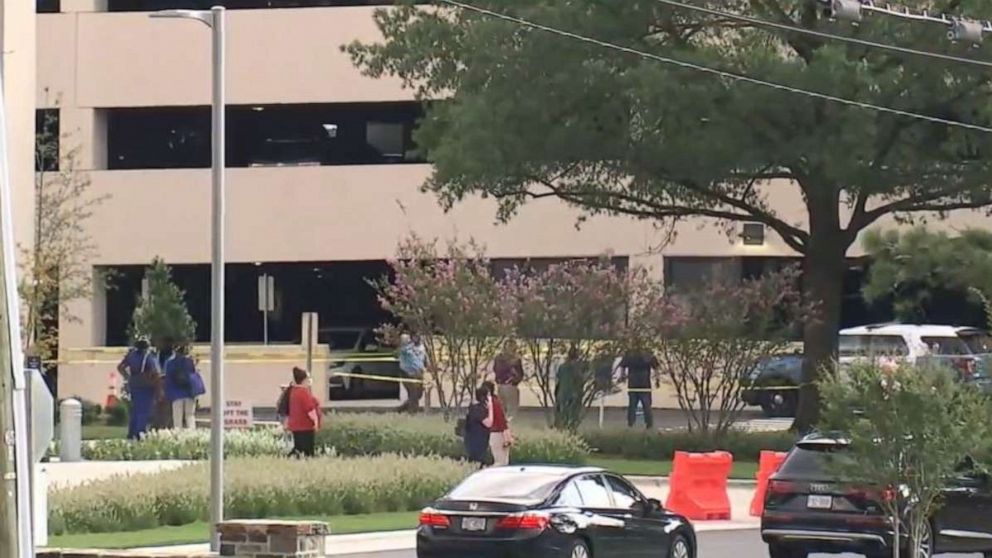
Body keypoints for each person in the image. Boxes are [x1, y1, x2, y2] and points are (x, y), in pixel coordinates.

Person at [117, 337, 160, 440]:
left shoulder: (131, 356)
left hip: (134, 384)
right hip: (146, 386)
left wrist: (127, 377)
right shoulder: (148, 357)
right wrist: (158, 386)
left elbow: (120, 367)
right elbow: (155, 372)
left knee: (136, 410)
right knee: (144, 410)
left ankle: (131, 432)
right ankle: (140, 433)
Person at [286, 367, 322, 457]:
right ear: (303, 380)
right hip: (305, 427)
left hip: (297, 426)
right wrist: (316, 422)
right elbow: (310, 410)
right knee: (306, 451)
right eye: (307, 379)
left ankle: (288, 459)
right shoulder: (303, 393)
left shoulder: (294, 392)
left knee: (299, 448)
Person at [619, 348, 659, 429]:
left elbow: (622, 366)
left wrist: (622, 376)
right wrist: (657, 379)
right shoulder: (647, 354)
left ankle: (631, 424)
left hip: (634, 384)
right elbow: (656, 367)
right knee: (645, 405)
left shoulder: (630, 354)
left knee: (633, 405)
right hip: (644, 384)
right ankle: (648, 424)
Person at [164, 345, 200, 430]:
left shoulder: (170, 363)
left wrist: (168, 393)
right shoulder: (190, 362)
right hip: (189, 392)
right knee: (190, 415)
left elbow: (168, 379)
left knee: (177, 417)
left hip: (176, 393)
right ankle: (192, 435)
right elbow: (194, 377)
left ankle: (178, 435)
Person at [483, 381, 513, 466]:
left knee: (499, 461)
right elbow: (502, 418)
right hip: (501, 432)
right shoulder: (497, 401)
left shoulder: (490, 403)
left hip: (496, 433)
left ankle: (485, 475)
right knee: (504, 461)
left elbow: (499, 419)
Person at [492, 340, 524, 420]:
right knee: (511, 411)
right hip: (511, 385)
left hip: (500, 385)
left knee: (502, 408)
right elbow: (520, 374)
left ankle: (502, 425)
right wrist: (515, 380)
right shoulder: (515, 360)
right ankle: (508, 426)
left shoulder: (498, 358)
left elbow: (495, 369)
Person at [463, 386, 494, 468]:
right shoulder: (477, 409)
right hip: (476, 440)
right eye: (489, 395)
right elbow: (488, 423)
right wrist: (491, 409)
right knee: (477, 462)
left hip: (479, 439)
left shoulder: (479, 408)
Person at [397, 333, 426, 413]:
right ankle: (413, 412)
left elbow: (422, 358)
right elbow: (401, 353)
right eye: (410, 338)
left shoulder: (421, 347)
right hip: (408, 373)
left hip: (418, 373)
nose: (412, 339)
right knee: (413, 394)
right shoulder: (405, 349)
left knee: (419, 394)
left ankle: (403, 408)